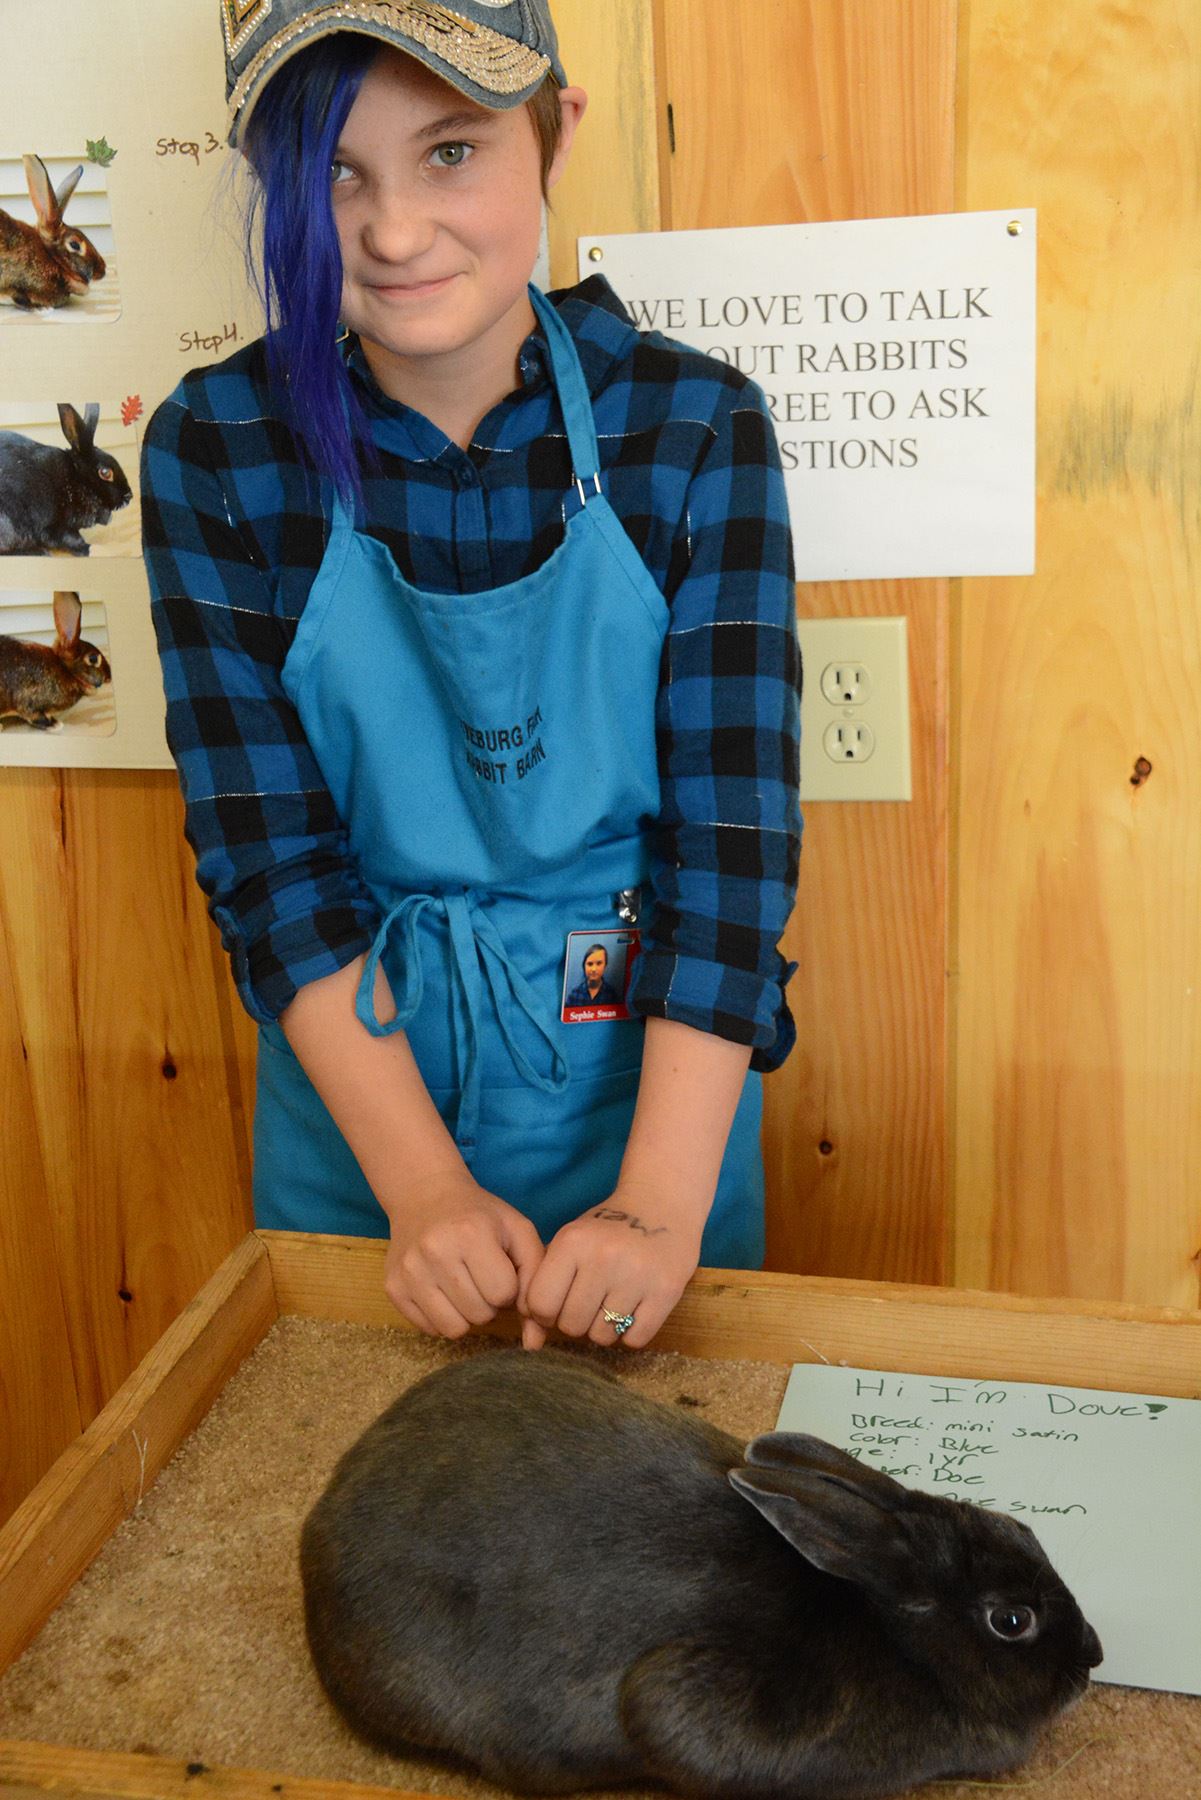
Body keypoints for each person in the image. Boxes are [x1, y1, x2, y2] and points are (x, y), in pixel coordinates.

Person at [142, 0, 801, 1355]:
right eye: (334, 169)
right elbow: (269, 866)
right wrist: (423, 1187)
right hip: (361, 1103)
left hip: (646, 1087)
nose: (390, 232)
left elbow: (731, 855)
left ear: (553, 132)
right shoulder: (215, 449)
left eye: (450, 151)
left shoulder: (691, 425)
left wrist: (660, 1210)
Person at [565, 943, 622, 1008]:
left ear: (605, 965)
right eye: (590, 964)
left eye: (599, 963)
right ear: (584, 966)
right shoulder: (574, 995)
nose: (594, 969)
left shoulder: (612, 995)